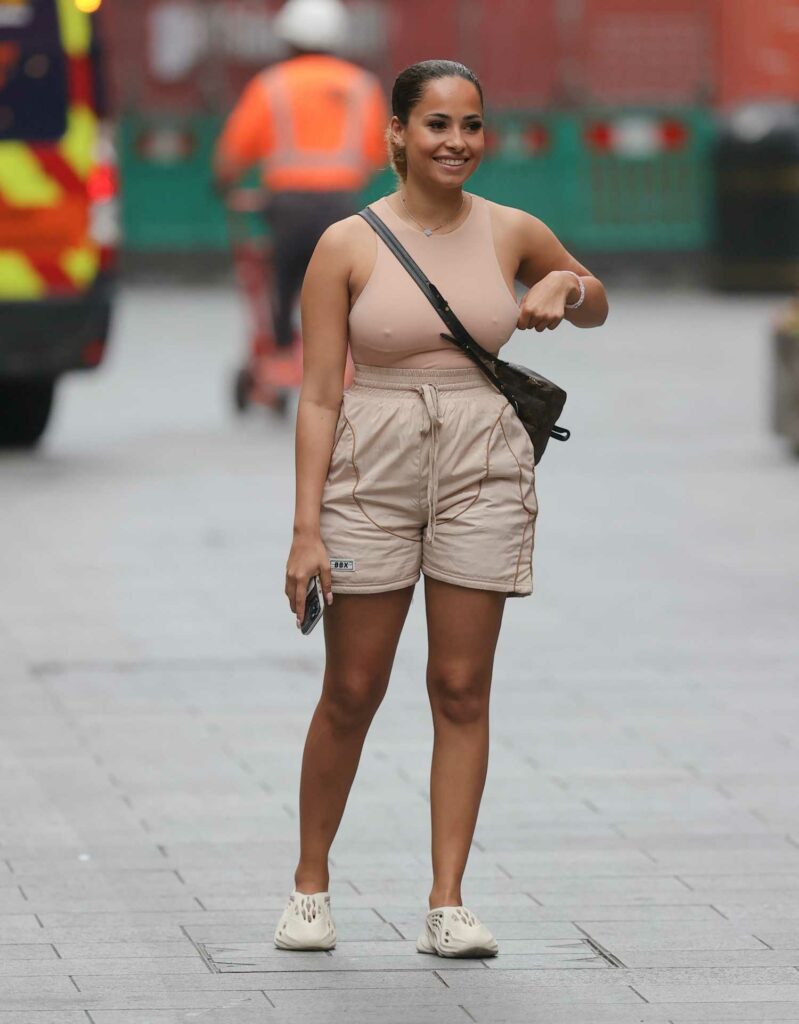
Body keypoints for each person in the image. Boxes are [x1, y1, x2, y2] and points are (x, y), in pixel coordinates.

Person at [275, 59, 609, 957]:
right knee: (352, 688)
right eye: (435, 125)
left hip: (482, 462)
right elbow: (315, 396)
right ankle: (309, 887)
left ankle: (447, 903)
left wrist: (563, 287)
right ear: (395, 134)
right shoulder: (345, 244)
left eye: (470, 125)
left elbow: (596, 302)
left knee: (460, 687)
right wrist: (305, 531)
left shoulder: (512, 229)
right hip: (371, 462)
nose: (455, 142)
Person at [213, 0, 388, 382]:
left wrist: (222, 182)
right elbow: (379, 152)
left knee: (284, 277)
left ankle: (279, 351)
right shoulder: (361, 85)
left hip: (287, 205)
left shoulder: (271, 85)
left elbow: (235, 150)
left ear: (287, 38)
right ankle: (346, 355)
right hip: (342, 206)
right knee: (343, 282)